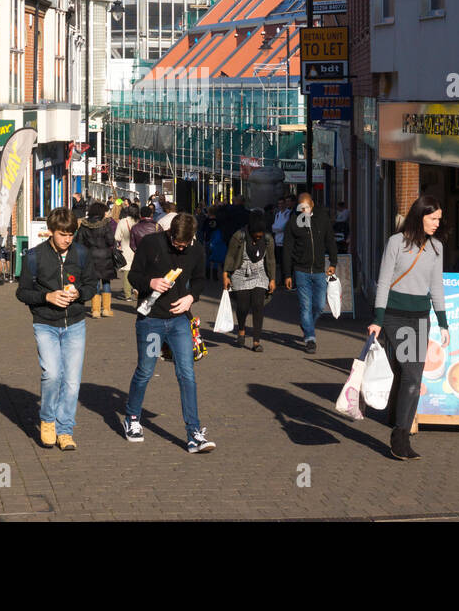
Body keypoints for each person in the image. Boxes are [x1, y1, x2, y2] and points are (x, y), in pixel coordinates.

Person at [120, 212, 217, 453]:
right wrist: (150, 283)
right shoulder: (151, 243)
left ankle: (194, 433)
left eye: (185, 244)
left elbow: (199, 280)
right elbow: (133, 275)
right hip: (152, 321)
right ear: (169, 233)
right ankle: (132, 418)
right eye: (176, 243)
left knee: (187, 373)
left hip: (179, 322)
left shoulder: (196, 250)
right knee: (146, 370)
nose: (180, 248)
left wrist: (191, 298)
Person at [367, 195, 448, 461]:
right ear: (420, 215)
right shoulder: (396, 243)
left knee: (414, 377)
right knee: (412, 374)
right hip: (394, 316)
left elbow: (436, 287)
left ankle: (401, 433)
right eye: (433, 218)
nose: (437, 223)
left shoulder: (436, 248)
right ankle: (399, 436)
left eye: (439, 219)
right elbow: (384, 281)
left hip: (420, 317)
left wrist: (443, 322)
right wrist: (378, 320)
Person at [16, 207, 97, 451]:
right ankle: (48, 420)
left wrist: (80, 294)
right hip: (45, 323)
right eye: (63, 234)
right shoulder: (34, 256)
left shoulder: (82, 254)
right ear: (51, 232)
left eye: (71, 234)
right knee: (52, 374)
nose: (67, 239)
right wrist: (47, 297)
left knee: (72, 381)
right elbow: (22, 292)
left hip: (74, 323)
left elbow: (92, 285)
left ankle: (65, 429)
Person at [282, 192, 338, 353]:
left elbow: (330, 241)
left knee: (319, 305)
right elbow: (287, 249)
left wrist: (333, 262)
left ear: (312, 204)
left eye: (306, 207)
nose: (303, 210)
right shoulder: (293, 223)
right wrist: (287, 274)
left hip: (320, 270)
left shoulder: (322, 219)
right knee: (305, 307)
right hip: (301, 270)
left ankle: (307, 324)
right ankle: (310, 338)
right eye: (301, 207)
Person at [223, 209, 275, 352]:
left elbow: (270, 259)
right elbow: (230, 256)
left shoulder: (268, 239)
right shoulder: (239, 236)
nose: (258, 238)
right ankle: (241, 330)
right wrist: (225, 275)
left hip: (260, 273)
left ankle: (256, 341)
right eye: (256, 236)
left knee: (258, 305)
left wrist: (272, 279)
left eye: (260, 236)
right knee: (243, 306)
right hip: (241, 272)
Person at [77, 201, 119, 317]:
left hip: (89, 257)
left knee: (94, 282)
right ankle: (106, 309)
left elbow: (79, 241)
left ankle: (95, 310)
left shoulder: (84, 224)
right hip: (105, 256)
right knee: (106, 282)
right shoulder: (105, 224)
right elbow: (111, 240)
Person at [113, 206, 138, 301]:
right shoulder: (139, 221)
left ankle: (127, 294)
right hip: (138, 249)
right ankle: (136, 289)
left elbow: (117, 237)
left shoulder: (123, 222)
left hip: (126, 249)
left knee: (127, 272)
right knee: (138, 270)